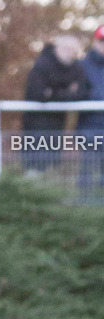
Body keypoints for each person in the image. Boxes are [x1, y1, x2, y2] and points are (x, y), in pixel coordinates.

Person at [23, 35, 89, 174]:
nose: (70, 52)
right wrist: (67, 92)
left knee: (51, 168)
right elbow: (37, 93)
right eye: (67, 48)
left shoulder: (76, 68)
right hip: (36, 126)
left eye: (73, 49)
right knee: (34, 168)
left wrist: (53, 93)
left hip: (58, 126)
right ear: (57, 48)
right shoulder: (42, 64)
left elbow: (83, 92)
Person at [78, 27, 104, 200]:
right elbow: (79, 93)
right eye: (102, 41)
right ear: (95, 42)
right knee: (87, 168)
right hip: (89, 127)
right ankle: (83, 204)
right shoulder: (82, 65)